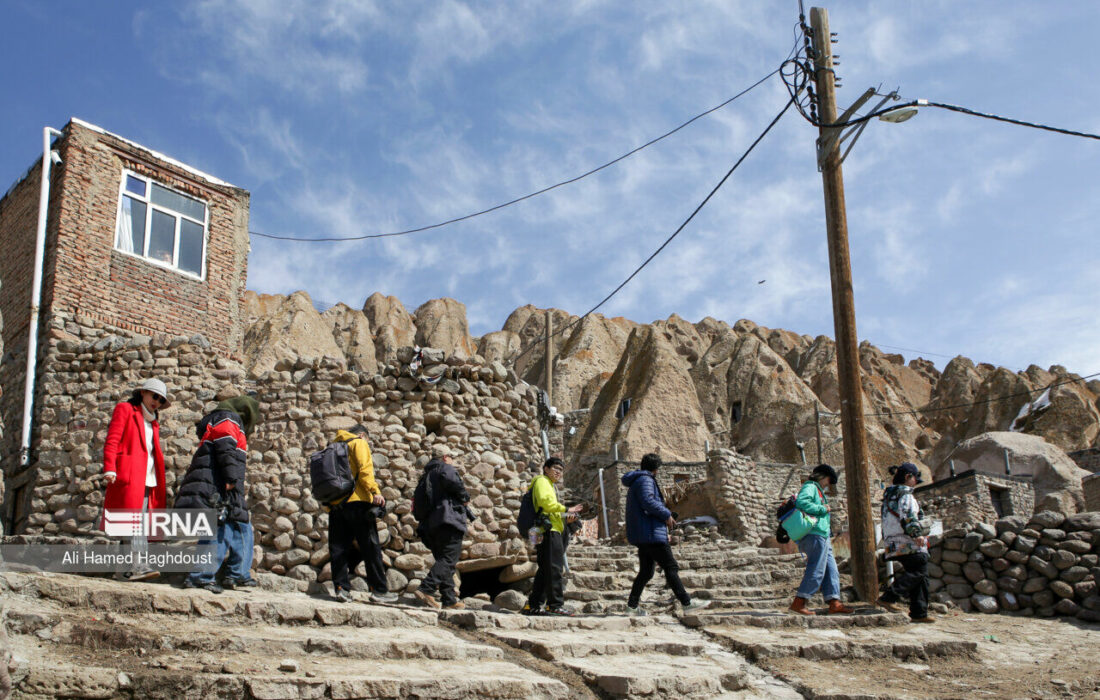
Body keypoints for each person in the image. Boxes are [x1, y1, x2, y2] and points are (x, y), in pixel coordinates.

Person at [175, 395, 261, 593]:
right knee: (218, 528)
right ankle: (201, 576)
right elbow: (225, 449)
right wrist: (231, 479)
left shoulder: (224, 420)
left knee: (238, 525)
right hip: (219, 483)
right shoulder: (228, 419)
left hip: (221, 483)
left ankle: (236, 574)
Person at [623, 453, 710, 615]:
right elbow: (648, 501)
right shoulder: (646, 480)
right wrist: (666, 514)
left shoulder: (638, 480)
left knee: (646, 572)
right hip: (651, 532)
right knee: (671, 566)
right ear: (656, 469)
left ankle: (632, 606)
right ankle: (686, 602)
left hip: (645, 533)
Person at [102, 378, 170, 581]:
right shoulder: (125, 409)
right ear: (143, 393)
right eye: (154, 396)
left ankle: (122, 571)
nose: (156, 401)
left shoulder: (153, 422)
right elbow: (112, 439)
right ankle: (139, 566)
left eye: (160, 399)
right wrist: (110, 467)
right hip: (129, 475)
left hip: (148, 477)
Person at [326, 425, 397, 604]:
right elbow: (365, 470)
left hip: (335, 504)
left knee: (338, 548)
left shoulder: (332, 447)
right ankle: (379, 590)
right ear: (363, 434)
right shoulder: (358, 443)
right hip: (357, 502)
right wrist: (375, 491)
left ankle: (341, 589)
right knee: (370, 547)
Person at [412, 446, 471, 610]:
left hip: (431, 524)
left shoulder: (426, 475)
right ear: (445, 457)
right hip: (448, 520)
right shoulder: (445, 468)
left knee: (444, 561)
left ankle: (449, 599)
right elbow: (453, 480)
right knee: (449, 559)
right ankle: (426, 588)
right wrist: (465, 497)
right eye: (452, 457)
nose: (453, 460)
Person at [789, 464, 853, 616]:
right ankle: (799, 602)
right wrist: (823, 509)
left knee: (831, 569)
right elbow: (802, 503)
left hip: (822, 535)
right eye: (829, 480)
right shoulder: (810, 487)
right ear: (823, 477)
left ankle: (834, 602)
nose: (828, 485)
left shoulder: (816, 489)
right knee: (816, 568)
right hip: (815, 534)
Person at [522, 457, 583, 616]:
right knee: (555, 567)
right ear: (546, 469)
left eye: (561, 470)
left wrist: (566, 518)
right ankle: (555, 605)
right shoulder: (542, 481)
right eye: (555, 468)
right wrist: (567, 509)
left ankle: (533, 605)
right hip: (549, 531)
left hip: (546, 530)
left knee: (545, 569)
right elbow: (545, 503)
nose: (558, 472)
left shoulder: (549, 484)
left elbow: (549, 509)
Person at [878, 462, 934, 623]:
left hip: (892, 542)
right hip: (907, 540)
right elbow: (908, 515)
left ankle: (919, 612)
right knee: (920, 568)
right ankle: (889, 597)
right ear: (908, 477)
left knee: (920, 576)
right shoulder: (906, 495)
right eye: (915, 478)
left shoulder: (889, 497)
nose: (915, 482)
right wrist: (916, 534)